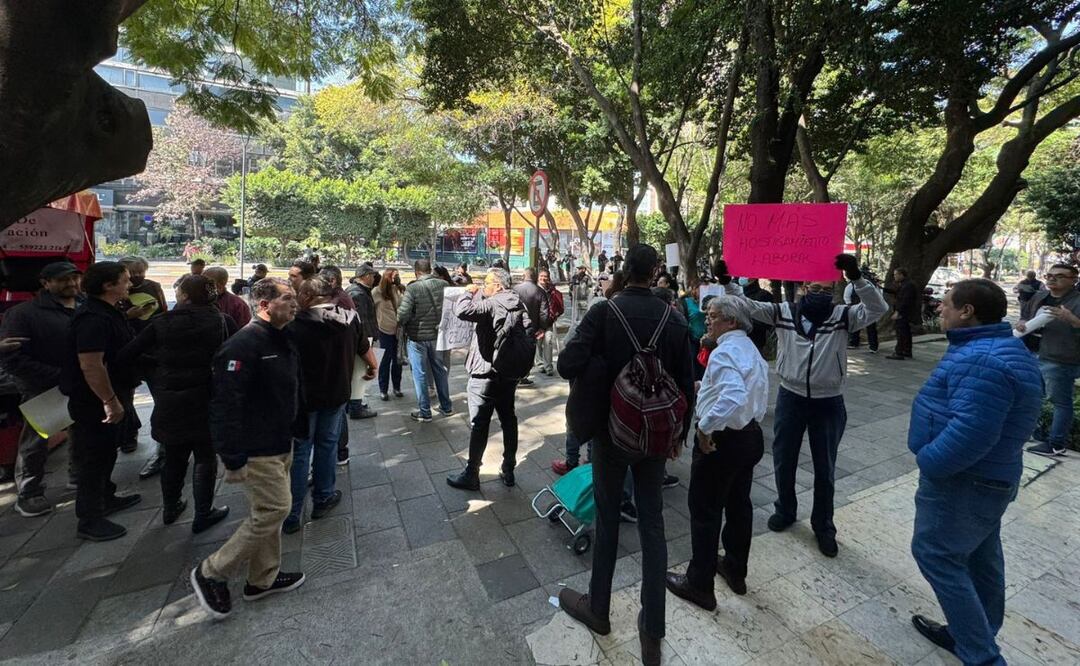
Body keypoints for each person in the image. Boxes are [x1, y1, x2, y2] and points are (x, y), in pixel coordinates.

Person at [557, 244, 695, 666]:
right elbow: (687, 383)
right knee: (653, 525)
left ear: (624, 270)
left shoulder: (604, 313)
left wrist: (601, 362)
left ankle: (598, 608)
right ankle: (652, 630)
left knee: (608, 517)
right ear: (654, 273)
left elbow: (566, 364)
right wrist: (680, 435)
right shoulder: (673, 319)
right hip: (655, 439)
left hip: (610, 435)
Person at [908, 279, 1042, 666]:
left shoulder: (983, 359)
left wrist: (929, 460)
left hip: (965, 480)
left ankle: (981, 654)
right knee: (981, 558)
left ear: (967, 311)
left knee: (935, 554)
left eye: (947, 303)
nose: (940, 308)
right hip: (987, 478)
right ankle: (976, 632)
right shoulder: (997, 348)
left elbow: (973, 432)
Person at [717, 255, 887, 557]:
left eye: (825, 290)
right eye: (813, 288)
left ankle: (824, 526)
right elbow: (746, 306)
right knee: (784, 459)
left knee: (825, 466)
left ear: (833, 292)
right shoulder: (784, 312)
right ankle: (785, 509)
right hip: (791, 397)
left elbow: (878, 308)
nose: (818, 294)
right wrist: (727, 282)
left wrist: (857, 277)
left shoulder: (843, 316)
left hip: (828, 402)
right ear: (803, 288)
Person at [191, 278, 305, 619]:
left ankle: (262, 579)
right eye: (288, 298)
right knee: (275, 509)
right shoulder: (242, 345)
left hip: (282, 440)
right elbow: (225, 404)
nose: (295, 303)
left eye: (294, 297)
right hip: (258, 447)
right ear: (264, 305)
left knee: (266, 511)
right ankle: (212, 571)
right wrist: (231, 456)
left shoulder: (283, 337)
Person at [665, 296, 768, 609]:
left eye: (712, 316)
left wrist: (705, 428)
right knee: (738, 505)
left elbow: (734, 396)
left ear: (731, 321)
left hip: (723, 441)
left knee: (705, 511)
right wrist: (706, 388)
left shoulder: (725, 352)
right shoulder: (749, 348)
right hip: (749, 436)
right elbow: (747, 391)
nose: (706, 321)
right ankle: (735, 569)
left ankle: (699, 584)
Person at [118, 274, 233, 532]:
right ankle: (203, 513)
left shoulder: (161, 323)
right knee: (205, 457)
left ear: (185, 296)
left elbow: (127, 354)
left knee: (173, 456)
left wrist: (157, 366)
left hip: (170, 400)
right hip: (207, 398)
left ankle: (171, 507)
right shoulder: (222, 321)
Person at [283, 277, 377, 533]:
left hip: (303, 397)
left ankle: (292, 513)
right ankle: (323, 497)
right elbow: (363, 347)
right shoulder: (349, 318)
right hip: (336, 392)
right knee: (327, 444)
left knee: (300, 451)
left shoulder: (293, 323)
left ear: (306, 297)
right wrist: (372, 366)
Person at [58, 262, 142, 541]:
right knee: (92, 458)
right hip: (93, 402)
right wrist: (109, 400)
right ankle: (90, 519)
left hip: (113, 392)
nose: (130, 285)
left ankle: (106, 497)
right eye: (125, 280)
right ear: (108, 285)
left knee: (106, 452)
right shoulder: (92, 318)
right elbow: (91, 364)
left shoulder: (108, 311)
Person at [0, 262, 82, 517]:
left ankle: (78, 476)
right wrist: (57, 375)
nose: (71, 283)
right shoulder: (23, 314)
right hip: (43, 387)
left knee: (80, 431)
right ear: (46, 283)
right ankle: (29, 492)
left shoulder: (84, 305)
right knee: (36, 442)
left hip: (81, 383)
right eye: (63, 279)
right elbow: (14, 359)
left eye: (74, 278)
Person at [445, 268, 532, 491]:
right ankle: (509, 469)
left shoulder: (492, 303)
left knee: (479, 424)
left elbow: (462, 310)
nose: (484, 287)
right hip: (509, 373)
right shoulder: (518, 303)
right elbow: (529, 330)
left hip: (485, 373)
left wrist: (468, 291)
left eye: (487, 283)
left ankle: (471, 473)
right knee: (508, 419)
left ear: (499, 286)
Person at [1016, 264, 1080, 457]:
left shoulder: (1077, 301)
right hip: (1032, 353)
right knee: (1033, 395)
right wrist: (1022, 323)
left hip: (1060, 358)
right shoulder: (1040, 296)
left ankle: (1056, 444)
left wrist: (1073, 320)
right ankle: (1032, 433)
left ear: (1073, 280)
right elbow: (1025, 317)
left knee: (1060, 402)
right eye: (1049, 275)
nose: (1052, 279)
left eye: (1059, 276)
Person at [396, 259, 453, 422]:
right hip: (438, 335)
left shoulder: (413, 288)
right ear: (430, 269)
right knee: (440, 370)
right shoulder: (444, 285)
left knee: (420, 374)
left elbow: (403, 314)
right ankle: (446, 407)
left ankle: (425, 411)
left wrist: (399, 319)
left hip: (417, 337)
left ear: (416, 272)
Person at [346, 265, 380, 419]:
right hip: (362, 340)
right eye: (372, 276)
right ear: (366, 276)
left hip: (362, 339)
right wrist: (365, 344)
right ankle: (355, 407)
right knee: (359, 374)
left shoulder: (359, 291)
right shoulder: (357, 293)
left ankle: (354, 404)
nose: (374, 278)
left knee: (358, 373)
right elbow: (361, 322)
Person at [512, 267, 550, 387]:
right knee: (528, 352)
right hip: (532, 327)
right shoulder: (540, 292)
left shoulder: (515, 289)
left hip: (516, 325)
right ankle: (523, 376)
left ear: (524, 275)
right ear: (535, 277)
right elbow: (544, 313)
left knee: (517, 351)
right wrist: (542, 328)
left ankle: (515, 375)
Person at [373, 268, 405, 400]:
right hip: (384, 331)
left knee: (398, 361)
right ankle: (383, 390)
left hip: (398, 331)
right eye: (395, 276)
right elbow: (371, 310)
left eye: (398, 276)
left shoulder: (399, 290)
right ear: (387, 277)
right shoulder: (377, 292)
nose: (397, 278)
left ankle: (397, 387)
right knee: (385, 361)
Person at [886, 268, 919, 360]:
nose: (894, 276)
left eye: (896, 274)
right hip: (905, 312)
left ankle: (899, 352)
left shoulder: (908, 285)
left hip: (904, 312)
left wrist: (898, 311)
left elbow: (905, 300)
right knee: (906, 332)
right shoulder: (905, 284)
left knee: (901, 332)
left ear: (901, 274)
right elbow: (896, 292)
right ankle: (906, 351)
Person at [536, 269, 564, 376]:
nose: (543, 278)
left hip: (549, 321)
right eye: (541, 276)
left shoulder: (552, 290)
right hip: (537, 321)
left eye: (545, 276)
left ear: (548, 278)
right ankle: (540, 364)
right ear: (538, 277)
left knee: (548, 341)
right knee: (538, 342)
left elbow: (558, 304)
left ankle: (548, 367)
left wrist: (555, 314)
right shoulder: (535, 289)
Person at [844, 269, 879, 353]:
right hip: (858, 308)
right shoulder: (852, 284)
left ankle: (873, 346)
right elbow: (847, 296)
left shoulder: (869, 284)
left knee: (870, 327)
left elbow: (846, 296)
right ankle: (855, 343)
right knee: (858, 325)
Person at [740, 278, 774, 355]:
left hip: (757, 339)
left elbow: (768, 321)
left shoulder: (765, 295)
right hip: (740, 339)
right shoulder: (739, 295)